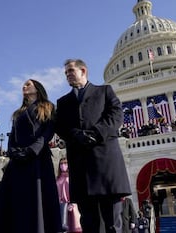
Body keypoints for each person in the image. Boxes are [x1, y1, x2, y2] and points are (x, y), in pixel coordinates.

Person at [55, 59, 131, 233]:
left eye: (71, 71)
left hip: (106, 165)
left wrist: (96, 133)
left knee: (113, 223)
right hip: (81, 169)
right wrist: (76, 135)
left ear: (83, 70)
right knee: (89, 223)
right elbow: (60, 126)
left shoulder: (104, 91)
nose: (68, 75)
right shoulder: (63, 102)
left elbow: (116, 115)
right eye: (66, 73)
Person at [0, 79, 62, 233]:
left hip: (38, 159)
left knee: (39, 201)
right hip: (17, 162)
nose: (24, 86)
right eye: (23, 84)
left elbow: (47, 132)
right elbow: (12, 136)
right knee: (15, 203)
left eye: (28, 84)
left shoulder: (49, 107)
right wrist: (13, 152)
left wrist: (32, 150)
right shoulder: (18, 113)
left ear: (38, 88)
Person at [56, 157, 82, 233]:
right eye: (61, 163)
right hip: (60, 206)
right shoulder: (57, 179)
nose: (63, 165)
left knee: (74, 228)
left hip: (72, 206)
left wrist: (72, 202)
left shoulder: (71, 178)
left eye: (65, 163)